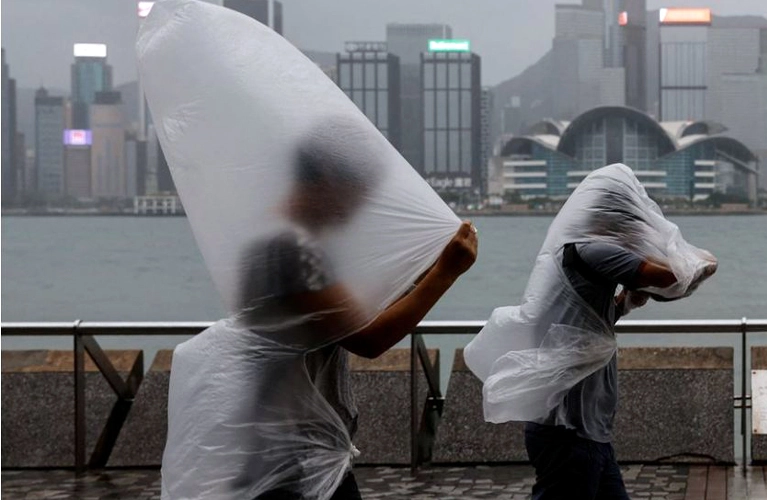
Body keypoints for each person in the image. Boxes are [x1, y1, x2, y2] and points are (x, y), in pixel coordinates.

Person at [162, 116, 478, 500]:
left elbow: (351, 317)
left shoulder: (277, 238)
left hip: (282, 444)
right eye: (361, 191)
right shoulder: (293, 250)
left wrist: (421, 272)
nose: (362, 205)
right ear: (330, 179)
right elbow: (370, 338)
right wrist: (446, 273)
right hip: (294, 455)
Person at [522, 179, 716, 500]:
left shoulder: (577, 252)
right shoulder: (590, 249)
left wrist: (624, 301)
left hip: (589, 431)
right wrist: (700, 263)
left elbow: (584, 320)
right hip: (569, 431)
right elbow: (668, 276)